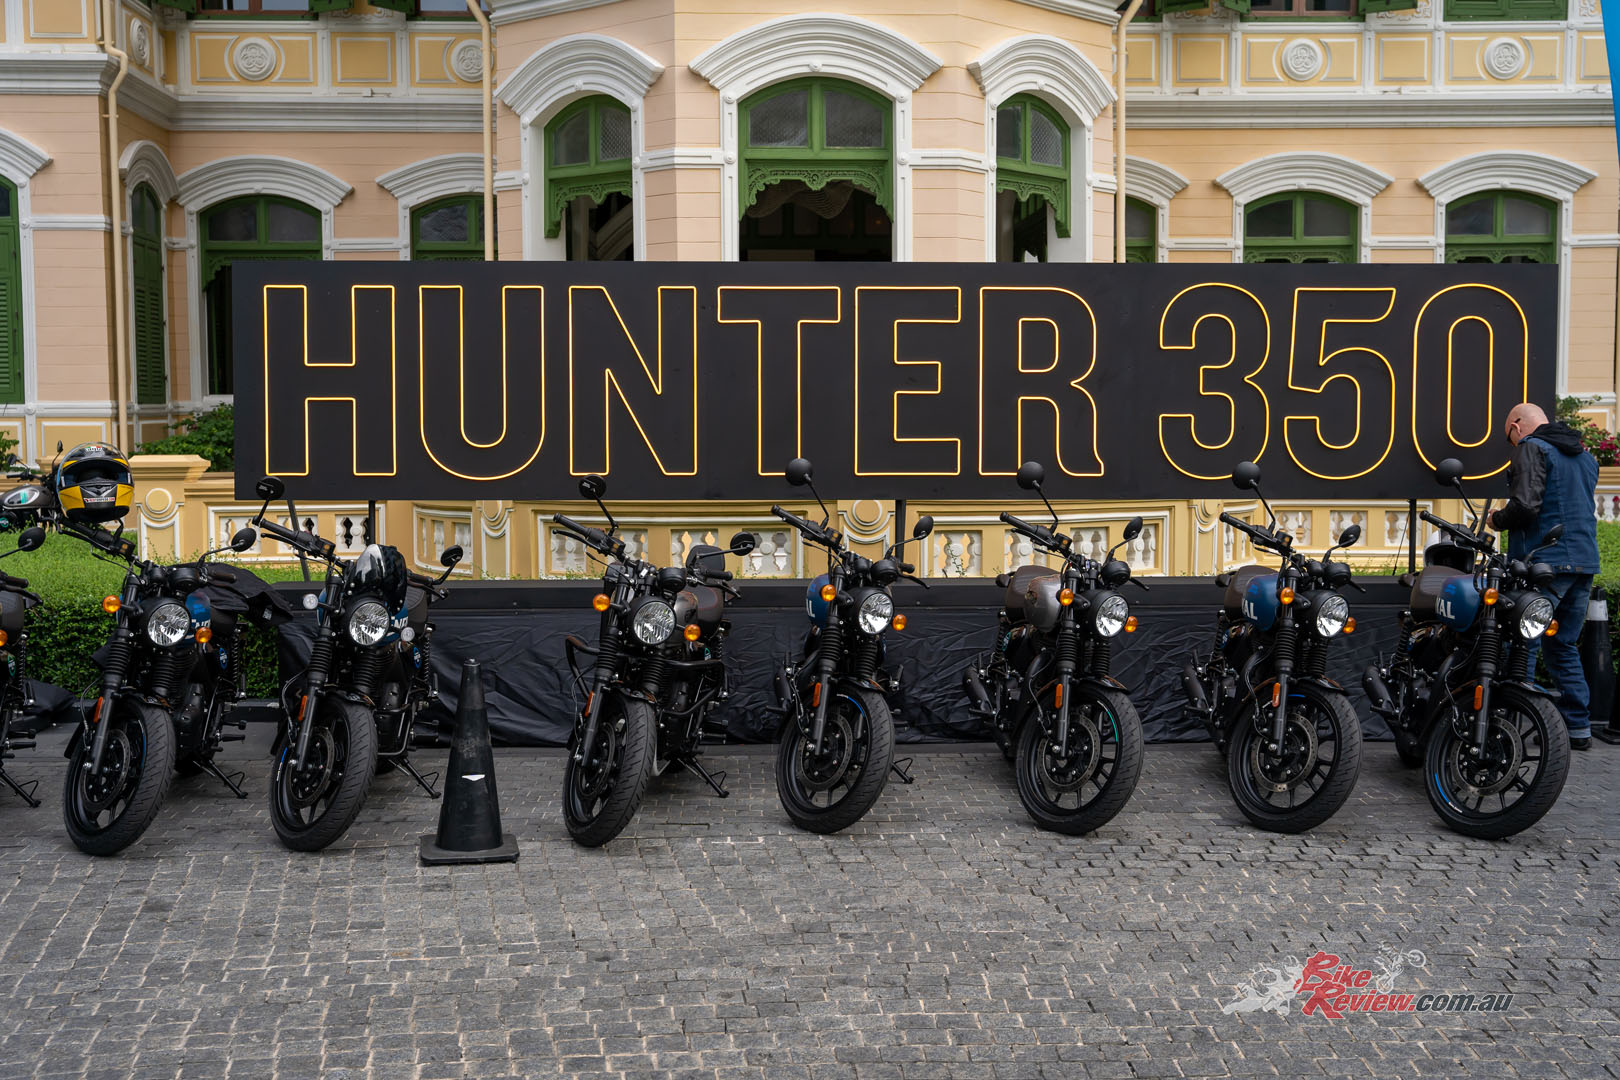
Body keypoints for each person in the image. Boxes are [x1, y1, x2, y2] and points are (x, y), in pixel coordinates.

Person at [1489, 402, 1600, 750]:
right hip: (1583, 562)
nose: (1512, 444)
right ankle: (1577, 728)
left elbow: (1525, 506)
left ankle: (1506, 728)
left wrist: (1497, 519)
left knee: (1522, 641)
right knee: (1562, 645)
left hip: (1543, 564)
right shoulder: (1585, 456)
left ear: (1516, 426)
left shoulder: (1531, 447)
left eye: (1509, 436)